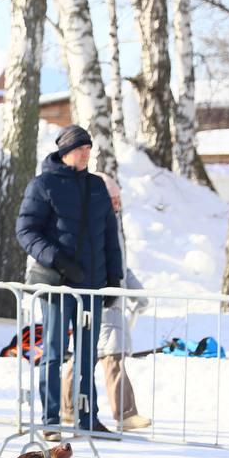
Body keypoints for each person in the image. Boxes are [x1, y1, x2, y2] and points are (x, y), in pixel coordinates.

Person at [15, 124, 122, 440]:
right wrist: (58, 260)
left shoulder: (97, 186)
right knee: (54, 351)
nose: (86, 154)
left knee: (88, 354)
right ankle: (50, 420)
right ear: (64, 152)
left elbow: (110, 236)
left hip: (92, 285)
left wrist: (113, 278)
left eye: (88, 149)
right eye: (80, 149)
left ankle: (89, 417)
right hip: (57, 284)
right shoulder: (43, 185)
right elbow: (26, 231)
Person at [61, 173, 151, 432]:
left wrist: (137, 292)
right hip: (100, 298)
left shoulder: (113, 224)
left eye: (118, 198)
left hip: (111, 297)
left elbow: (121, 265)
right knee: (108, 355)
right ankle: (124, 413)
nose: (117, 203)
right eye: (113, 198)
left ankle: (70, 407)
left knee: (98, 355)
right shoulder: (93, 222)